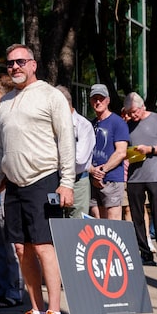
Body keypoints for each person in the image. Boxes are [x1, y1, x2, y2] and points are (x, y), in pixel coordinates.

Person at [0, 43, 75, 314]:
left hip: (44, 180)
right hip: (15, 186)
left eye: (21, 62)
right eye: (10, 64)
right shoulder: (4, 103)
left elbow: (66, 140)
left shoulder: (50, 95)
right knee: (21, 248)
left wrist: (67, 181)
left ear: (33, 64)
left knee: (44, 247)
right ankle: (36, 310)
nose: (15, 67)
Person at [124, 92, 157, 267]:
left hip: (155, 176)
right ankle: (145, 253)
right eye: (129, 112)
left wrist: (150, 149)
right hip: (134, 177)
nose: (132, 115)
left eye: (134, 112)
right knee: (136, 217)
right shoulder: (127, 124)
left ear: (142, 106)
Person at [0, 74, 23, 308]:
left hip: (4, 188)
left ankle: (15, 290)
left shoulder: (5, 115)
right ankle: (1, 288)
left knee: (10, 244)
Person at [88, 83, 129, 220]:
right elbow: (85, 152)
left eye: (101, 98)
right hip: (93, 179)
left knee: (113, 224)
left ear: (108, 100)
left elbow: (121, 152)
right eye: (95, 98)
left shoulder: (118, 122)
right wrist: (92, 171)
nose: (98, 102)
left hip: (112, 179)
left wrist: (102, 171)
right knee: (98, 221)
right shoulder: (90, 124)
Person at [55, 85, 95, 218]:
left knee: (77, 226)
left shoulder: (83, 125)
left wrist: (54, 158)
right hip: (55, 180)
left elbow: (80, 158)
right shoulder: (52, 124)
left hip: (78, 182)